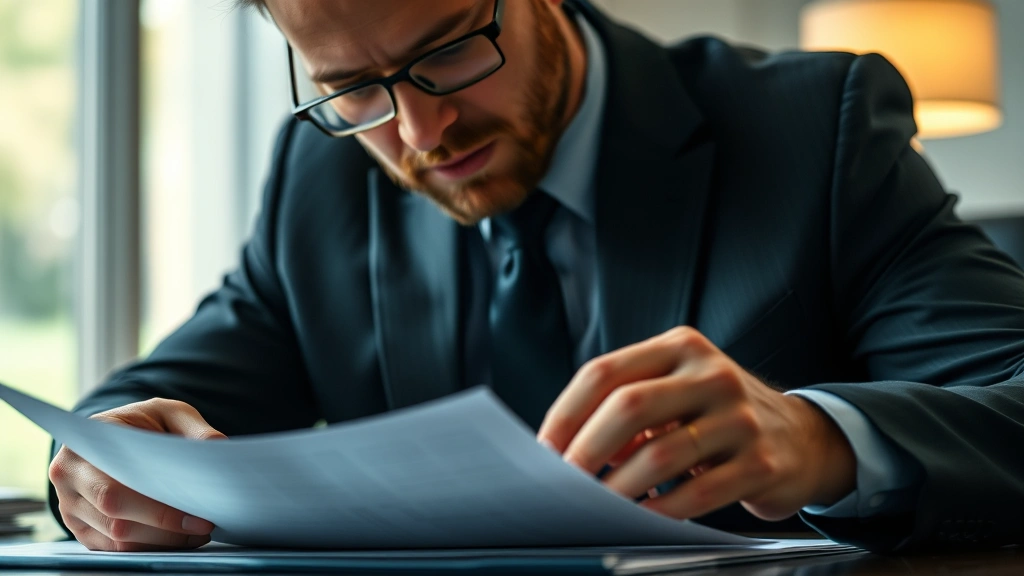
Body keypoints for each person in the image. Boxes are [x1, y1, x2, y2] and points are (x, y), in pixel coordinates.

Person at [47, 0, 1024, 554]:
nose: (421, 136)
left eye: (451, 52)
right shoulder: (323, 173)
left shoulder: (814, 131)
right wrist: (106, 467)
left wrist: (819, 438)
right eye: (351, 89)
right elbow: (154, 400)